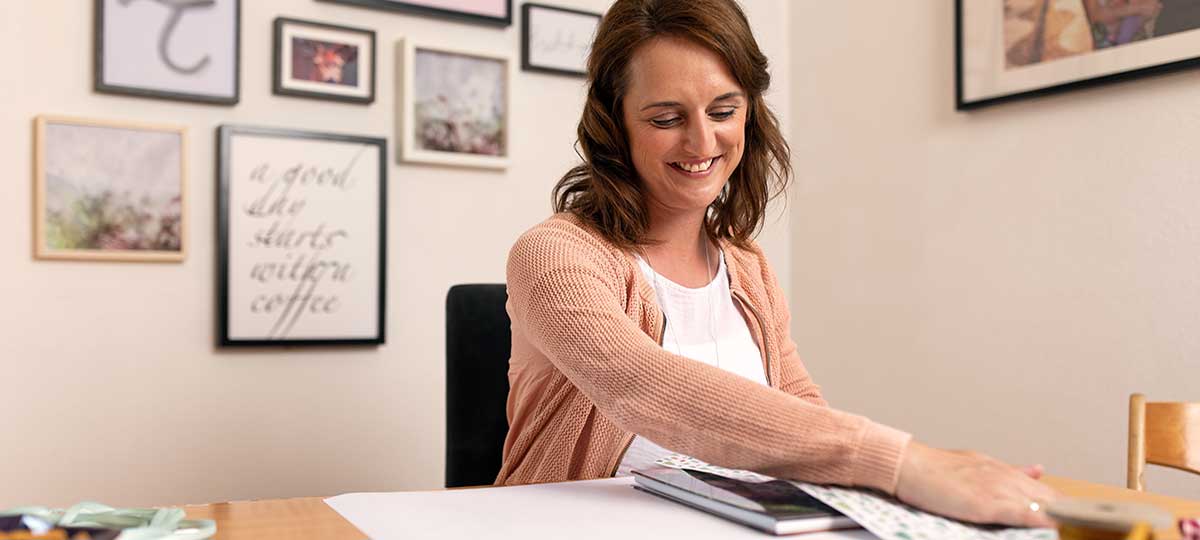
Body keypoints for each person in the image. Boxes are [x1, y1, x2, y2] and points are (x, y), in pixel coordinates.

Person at [498, 0, 1059, 528]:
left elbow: (801, 413)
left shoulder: (747, 265)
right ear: (613, 123)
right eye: (666, 118)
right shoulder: (554, 255)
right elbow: (642, 387)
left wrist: (915, 492)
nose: (701, 140)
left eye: (724, 111)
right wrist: (905, 463)